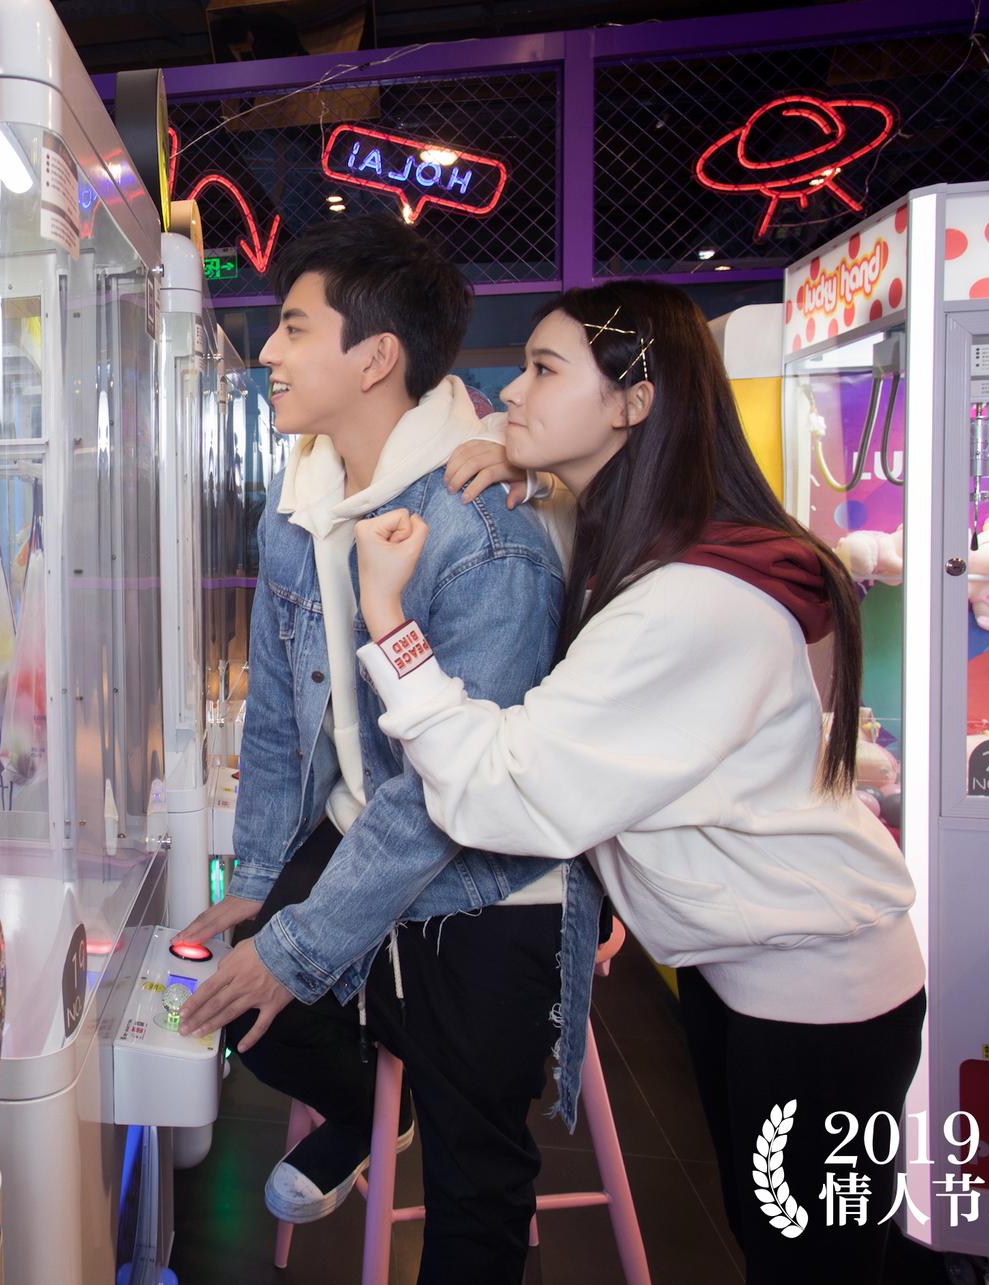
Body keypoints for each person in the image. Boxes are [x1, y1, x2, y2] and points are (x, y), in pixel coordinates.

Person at [351, 279, 924, 1285]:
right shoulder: (664, 548)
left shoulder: (691, 599)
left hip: (815, 988)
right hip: (757, 968)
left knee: (814, 1262)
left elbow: (503, 790)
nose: (509, 393)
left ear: (634, 401)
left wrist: (390, 622)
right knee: (783, 1241)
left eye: (543, 370)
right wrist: (533, 465)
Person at [173, 216, 606, 1285]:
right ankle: (375, 1102)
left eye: (292, 328)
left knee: (474, 1176)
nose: (266, 353)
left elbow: (448, 789)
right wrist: (260, 880)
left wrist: (297, 943)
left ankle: (401, 1096)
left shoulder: (483, 531)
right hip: (367, 825)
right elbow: (280, 718)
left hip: (489, 874)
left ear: (373, 358)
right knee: (240, 1003)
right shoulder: (298, 504)